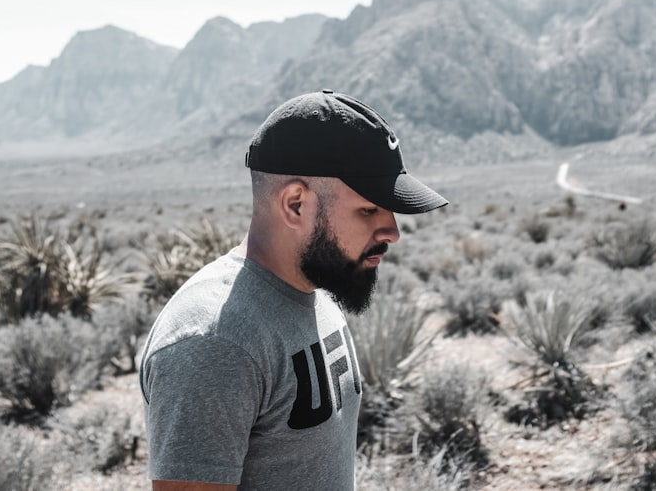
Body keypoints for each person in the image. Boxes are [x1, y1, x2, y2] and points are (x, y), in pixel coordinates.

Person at [140, 89, 448, 490]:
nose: (392, 232)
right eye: (369, 209)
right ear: (296, 205)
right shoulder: (215, 343)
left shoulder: (315, 290)